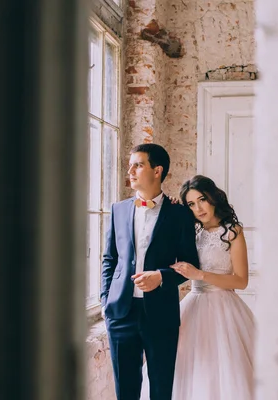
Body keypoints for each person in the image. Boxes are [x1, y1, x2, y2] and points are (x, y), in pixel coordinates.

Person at [101, 143, 200, 400]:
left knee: (161, 388)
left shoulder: (180, 215)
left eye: (138, 164)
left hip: (161, 314)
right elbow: (109, 259)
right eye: (130, 164)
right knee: (126, 390)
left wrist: (162, 277)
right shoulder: (118, 209)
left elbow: (190, 264)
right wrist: (105, 300)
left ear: (157, 171)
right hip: (121, 313)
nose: (130, 170)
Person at [143, 174, 255, 400]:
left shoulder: (232, 231)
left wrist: (200, 274)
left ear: (213, 197)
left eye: (202, 199)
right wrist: (172, 210)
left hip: (225, 307)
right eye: (191, 204)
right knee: (186, 367)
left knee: (227, 371)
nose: (198, 208)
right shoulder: (191, 230)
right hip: (192, 305)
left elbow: (241, 281)